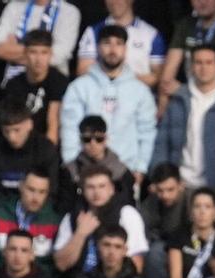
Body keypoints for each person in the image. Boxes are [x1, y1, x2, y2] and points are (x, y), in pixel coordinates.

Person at [60, 25, 156, 185]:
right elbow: (70, 129)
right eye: (107, 43)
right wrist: (72, 168)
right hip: (85, 173)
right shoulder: (79, 87)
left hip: (126, 172)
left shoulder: (140, 91)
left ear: (125, 49)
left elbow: (147, 133)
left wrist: (140, 168)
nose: (112, 49)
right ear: (98, 47)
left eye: (118, 43)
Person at [154, 44, 215, 198]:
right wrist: (161, 177)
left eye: (209, 62)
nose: (204, 68)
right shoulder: (178, 100)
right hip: (179, 187)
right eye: (198, 62)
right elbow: (162, 141)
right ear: (191, 66)